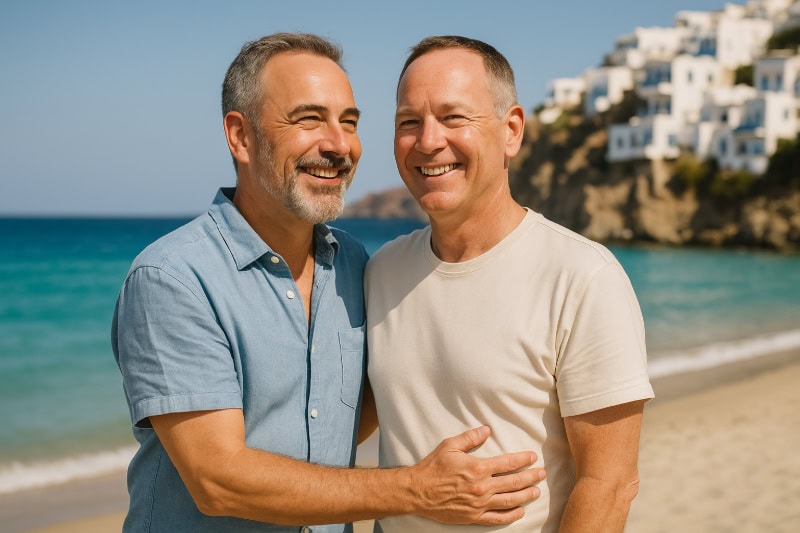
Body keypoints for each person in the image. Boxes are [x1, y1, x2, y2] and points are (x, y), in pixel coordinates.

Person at [112, 33, 545, 533]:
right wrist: (417, 489)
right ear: (241, 137)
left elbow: (357, 410)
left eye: (350, 122)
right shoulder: (174, 278)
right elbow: (218, 481)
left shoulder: (356, 265)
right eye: (309, 119)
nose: (338, 145)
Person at [365, 35, 655, 532]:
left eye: (454, 117)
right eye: (408, 122)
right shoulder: (380, 271)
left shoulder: (584, 276)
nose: (428, 141)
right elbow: (342, 418)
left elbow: (609, 486)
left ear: (512, 131)